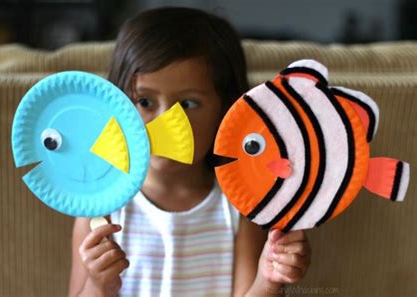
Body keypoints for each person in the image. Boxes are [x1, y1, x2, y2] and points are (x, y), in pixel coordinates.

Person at [69, 7, 311, 297]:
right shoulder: (100, 205)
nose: (166, 123)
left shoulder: (242, 206)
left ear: (227, 110)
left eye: (187, 104)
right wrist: (98, 284)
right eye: (145, 101)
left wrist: (269, 279)